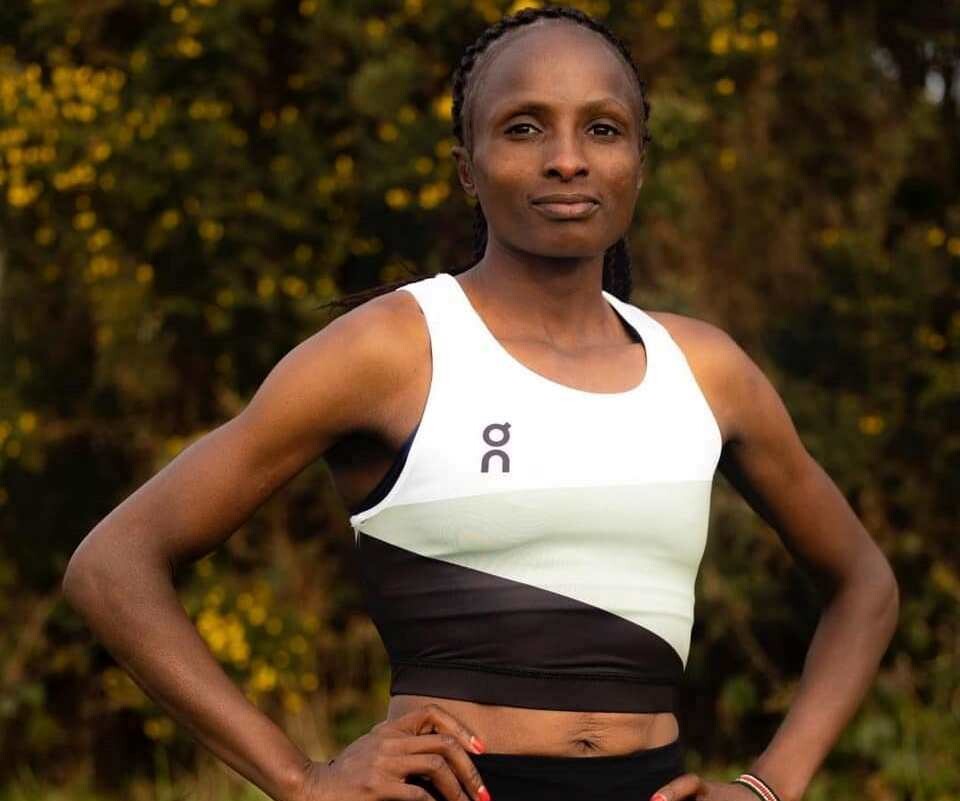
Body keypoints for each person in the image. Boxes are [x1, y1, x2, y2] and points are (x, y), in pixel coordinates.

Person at [62, 5, 900, 801]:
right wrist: (299, 778)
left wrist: (767, 784)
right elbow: (113, 565)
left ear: (639, 163)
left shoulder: (707, 371)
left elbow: (864, 582)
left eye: (602, 129)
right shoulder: (393, 350)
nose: (566, 159)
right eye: (524, 127)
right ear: (467, 166)